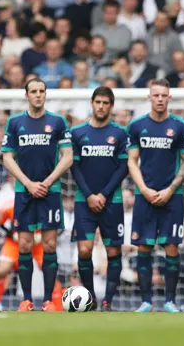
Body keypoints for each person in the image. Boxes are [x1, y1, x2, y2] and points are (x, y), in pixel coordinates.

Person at [1, 78, 73, 312]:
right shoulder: (15, 122)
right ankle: (27, 299)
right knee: (24, 244)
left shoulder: (58, 121)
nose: (38, 95)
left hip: (50, 191)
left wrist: (48, 181)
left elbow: (67, 156)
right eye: (33, 91)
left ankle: (49, 301)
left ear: (45, 94)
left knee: (50, 244)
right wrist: (28, 183)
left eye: (42, 91)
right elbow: (7, 157)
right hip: (24, 192)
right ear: (27, 95)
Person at [126, 79, 184, 313]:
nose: (160, 99)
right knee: (143, 248)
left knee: (172, 248)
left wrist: (170, 189)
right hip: (144, 195)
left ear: (169, 98)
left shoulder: (180, 126)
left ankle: (170, 302)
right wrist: (144, 189)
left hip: (172, 197)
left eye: (164, 95)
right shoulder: (136, 126)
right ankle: (146, 302)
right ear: (149, 97)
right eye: (156, 95)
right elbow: (132, 161)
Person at [70, 87, 129, 312]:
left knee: (113, 251)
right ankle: (92, 298)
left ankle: (108, 301)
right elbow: (74, 167)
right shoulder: (77, 133)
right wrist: (89, 195)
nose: (102, 106)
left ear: (111, 106)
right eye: (98, 102)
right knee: (84, 250)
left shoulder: (120, 133)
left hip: (111, 201)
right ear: (92, 103)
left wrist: (103, 195)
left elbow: (123, 167)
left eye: (106, 103)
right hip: (84, 200)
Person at [0, 198, 58, 312]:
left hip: (39, 243)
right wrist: (11, 235)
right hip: (15, 243)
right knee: (2, 271)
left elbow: (57, 227)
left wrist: (42, 236)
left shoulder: (46, 205)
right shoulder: (9, 206)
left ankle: (54, 305)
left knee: (49, 271)